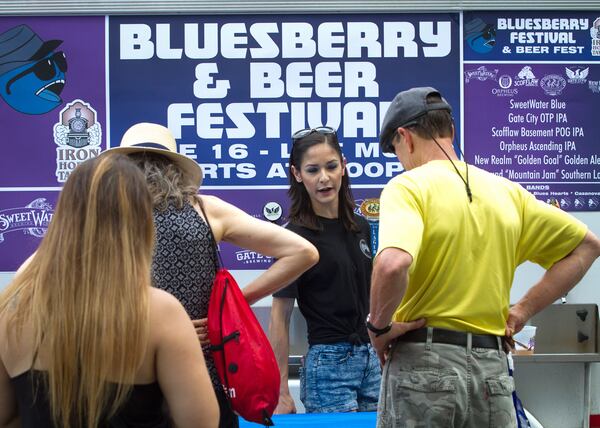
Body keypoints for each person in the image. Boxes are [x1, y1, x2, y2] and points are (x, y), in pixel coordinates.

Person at [368, 86, 600, 427]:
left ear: (406, 137)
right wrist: (520, 311)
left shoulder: (409, 186)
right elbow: (587, 246)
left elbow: (393, 263)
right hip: (492, 370)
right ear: (452, 130)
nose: (400, 159)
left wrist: (378, 326)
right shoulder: (508, 192)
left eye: (396, 149)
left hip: (424, 364)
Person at [107, 122, 319, 428]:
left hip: (127, 376)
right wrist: (232, 306)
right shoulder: (206, 210)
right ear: (175, 168)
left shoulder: (105, 218)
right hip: (202, 377)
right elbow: (303, 252)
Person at [0, 154, 219, 428]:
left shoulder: (12, 310)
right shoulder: (160, 313)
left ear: (63, 216)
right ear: (142, 222)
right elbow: (201, 423)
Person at [269, 126, 410, 414]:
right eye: (312, 170)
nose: (324, 178)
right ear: (297, 174)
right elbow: (278, 318)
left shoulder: (359, 226)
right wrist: (281, 391)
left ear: (343, 167)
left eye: (331, 166)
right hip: (327, 365)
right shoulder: (292, 238)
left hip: (373, 358)